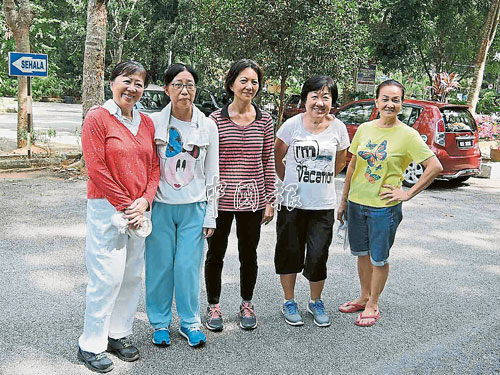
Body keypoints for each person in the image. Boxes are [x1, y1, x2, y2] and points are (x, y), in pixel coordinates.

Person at [337, 79, 443, 327]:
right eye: (385, 98)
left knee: (378, 258)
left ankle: (373, 304)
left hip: (384, 208)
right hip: (356, 203)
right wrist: (343, 201)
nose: (390, 104)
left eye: (395, 100)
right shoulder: (365, 128)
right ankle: (363, 297)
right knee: (362, 254)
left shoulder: (408, 135)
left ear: (401, 104)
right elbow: (353, 165)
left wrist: (407, 193)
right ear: (376, 101)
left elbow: (434, 166)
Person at [78, 61, 160, 373]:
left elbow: (154, 168)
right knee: (106, 277)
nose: (133, 88)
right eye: (127, 80)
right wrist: (128, 205)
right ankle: (91, 343)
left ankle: (118, 334)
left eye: (139, 83)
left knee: (131, 276)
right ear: (113, 82)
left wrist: (144, 201)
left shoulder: (146, 123)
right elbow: (96, 168)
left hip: (137, 210)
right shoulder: (98, 117)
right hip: (107, 207)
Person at [145, 63, 219, 348]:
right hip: (161, 206)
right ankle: (160, 322)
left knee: (187, 267)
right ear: (167, 89)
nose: (184, 90)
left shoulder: (208, 125)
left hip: (194, 207)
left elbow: (213, 171)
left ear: (196, 89)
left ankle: (190, 322)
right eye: (177, 84)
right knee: (160, 266)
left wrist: (211, 214)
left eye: (189, 84)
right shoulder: (153, 123)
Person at [204, 59, 275, 331]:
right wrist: (207, 202)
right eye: (243, 80)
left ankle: (247, 303)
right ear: (231, 83)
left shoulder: (265, 119)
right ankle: (214, 306)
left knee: (249, 254)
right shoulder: (215, 120)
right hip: (220, 200)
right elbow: (208, 164)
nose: (249, 86)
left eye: (254, 81)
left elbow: (267, 160)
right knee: (215, 255)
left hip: (253, 200)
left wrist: (270, 199)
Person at [274, 75, 349, 327]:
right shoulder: (291, 125)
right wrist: (290, 182)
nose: (319, 102)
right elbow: (278, 157)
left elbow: (340, 162)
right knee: (289, 253)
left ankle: (315, 301)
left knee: (318, 255)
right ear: (305, 98)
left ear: (333, 102)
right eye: (314, 96)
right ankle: (289, 301)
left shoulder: (338, 128)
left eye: (326, 97)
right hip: (292, 203)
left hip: (323, 205)